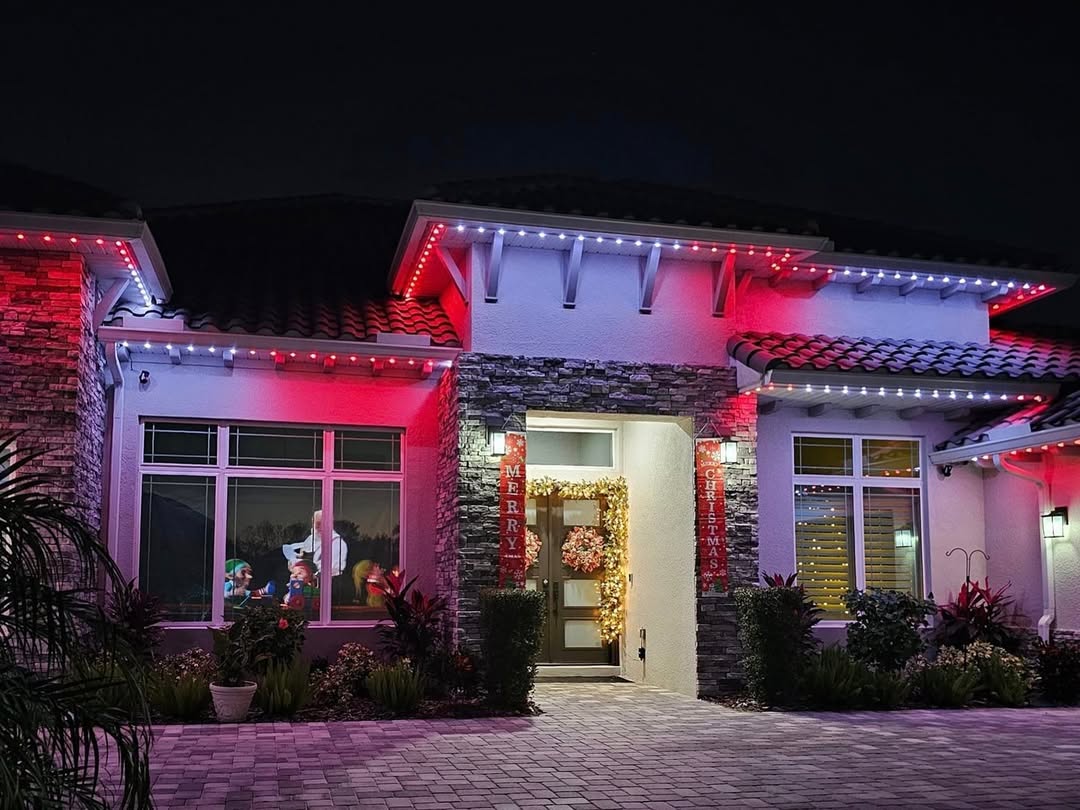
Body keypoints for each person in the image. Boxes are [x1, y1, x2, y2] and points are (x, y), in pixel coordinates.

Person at [281, 509, 347, 577]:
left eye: (320, 523)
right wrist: (296, 561)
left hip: (325, 582)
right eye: (315, 523)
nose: (316, 526)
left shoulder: (337, 543)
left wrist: (306, 567)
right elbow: (302, 553)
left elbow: (333, 568)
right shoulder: (310, 539)